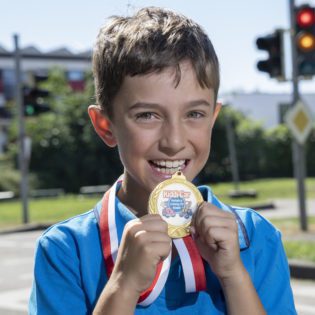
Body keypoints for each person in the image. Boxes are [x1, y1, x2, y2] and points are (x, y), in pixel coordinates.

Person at [29, 7, 297, 315]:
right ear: (106, 126)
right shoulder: (66, 251)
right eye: (147, 115)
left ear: (212, 119)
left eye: (194, 114)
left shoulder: (255, 237)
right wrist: (123, 285)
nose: (173, 141)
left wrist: (234, 275)